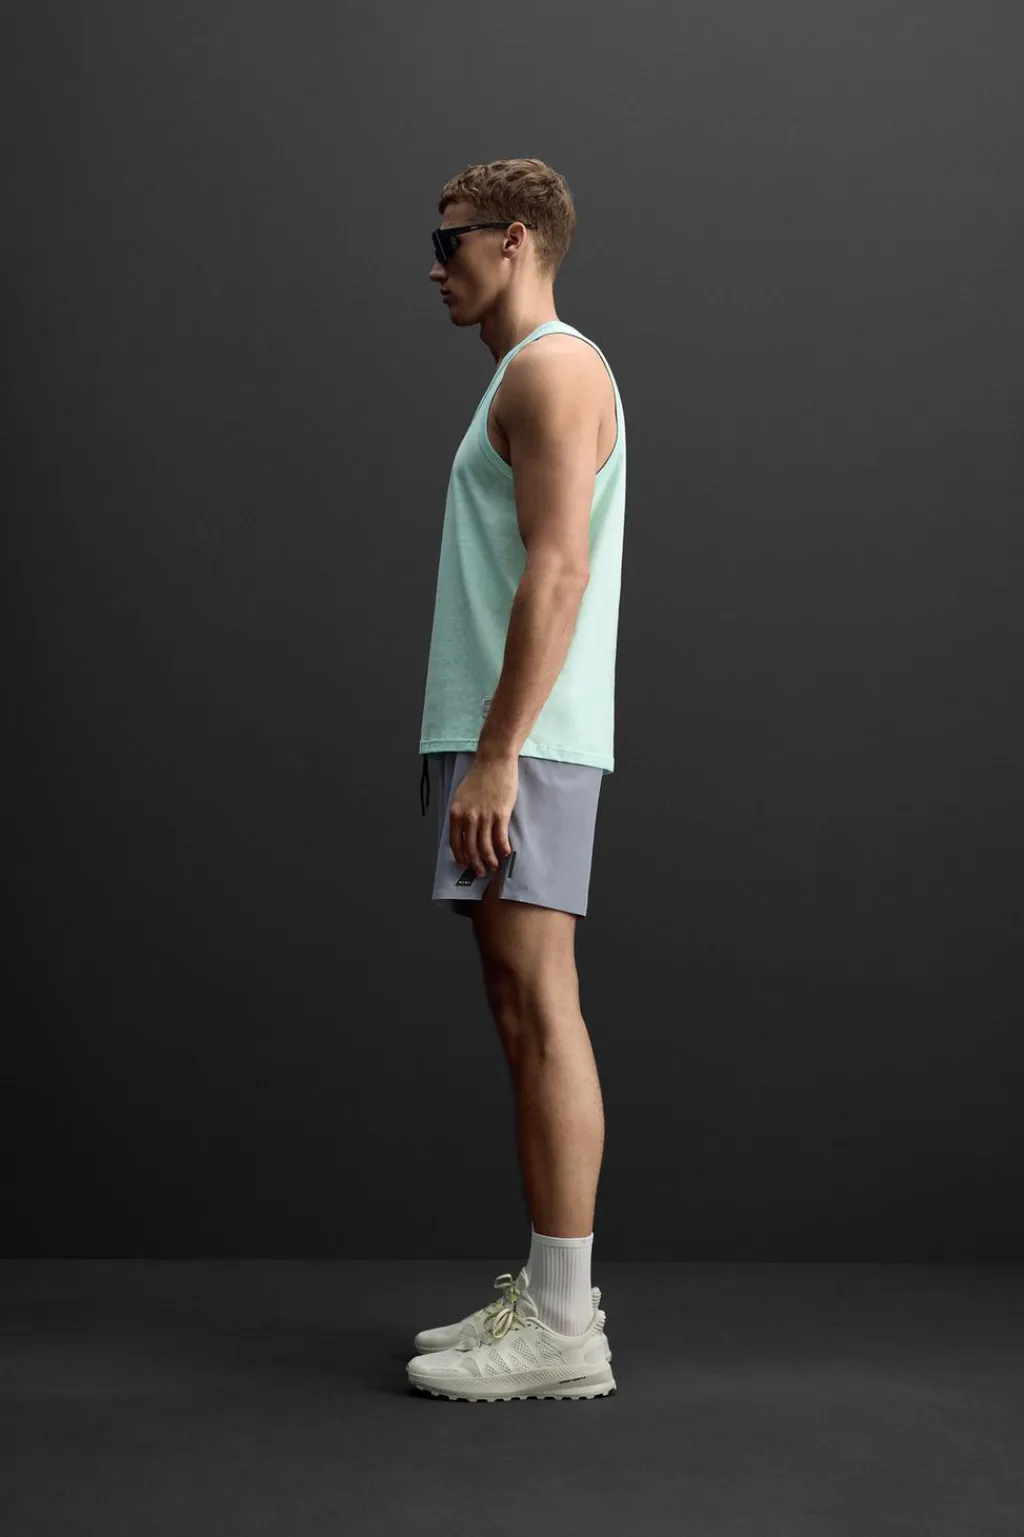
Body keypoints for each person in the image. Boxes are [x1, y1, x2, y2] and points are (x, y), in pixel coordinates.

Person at [410, 158, 626, 1401]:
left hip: (524, 744)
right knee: (517, 1005)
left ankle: (562, 1329)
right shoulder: (520, 376)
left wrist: (496, 753)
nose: (432, 265)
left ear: (514, 240)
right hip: (499, 734)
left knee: (543, 1006)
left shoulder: (552, 368)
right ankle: (548, 1296)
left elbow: (558, 569)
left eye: (448, 241)